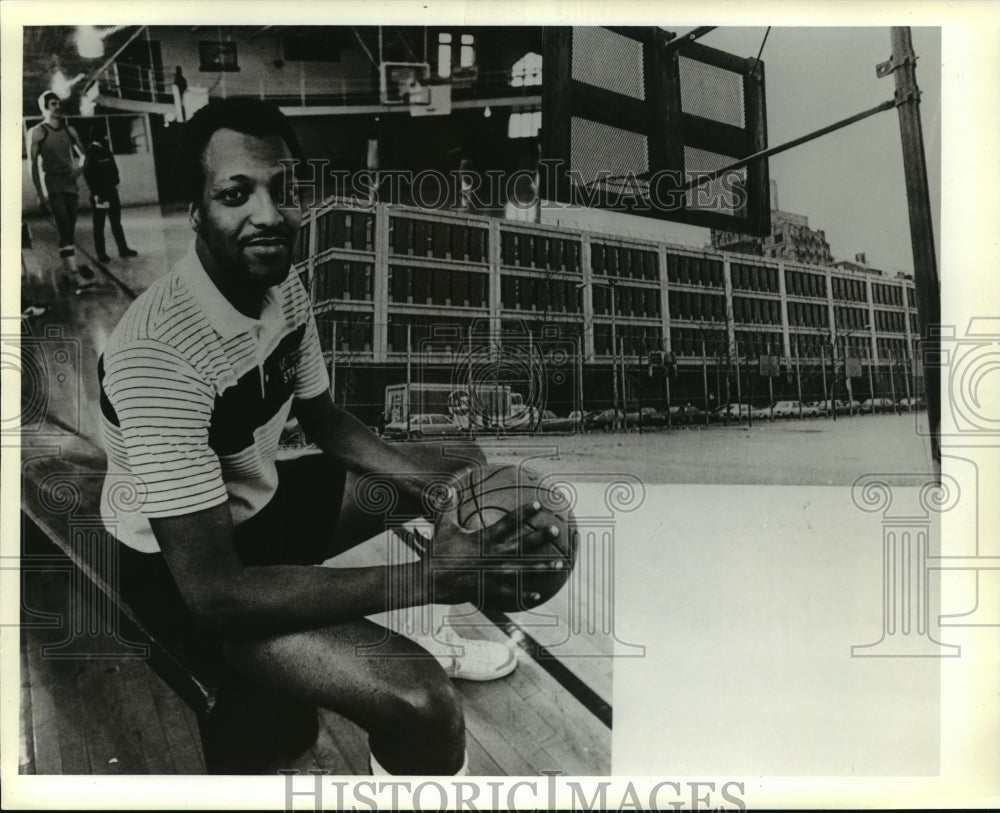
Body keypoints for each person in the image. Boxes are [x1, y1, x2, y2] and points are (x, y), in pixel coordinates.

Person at [98, 98, 561, 776]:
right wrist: (430, 576)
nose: (268, 212)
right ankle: (424, 613)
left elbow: (324, 419)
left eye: (285, 189)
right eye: (236, 193)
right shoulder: (158, 352)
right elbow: (216, 591)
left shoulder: (283, 287)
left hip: (265, 508)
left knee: (463, 463)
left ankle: (429, 617)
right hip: (186, 577)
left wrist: (435, 488)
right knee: (422, 701)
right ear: (196, 210)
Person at [29, 91, 96, 293]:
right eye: (53, 104)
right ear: (45, 108)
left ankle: (70, 271)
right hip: (52, 185)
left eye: (58, 103)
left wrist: (78, 172)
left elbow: (85, 155)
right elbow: (32, 165)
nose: (57, 106)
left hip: (70, 185)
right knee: (64, 228)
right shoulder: (38, 131)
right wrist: (40, 194)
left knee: (69, 230)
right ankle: (73, 273)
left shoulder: (70, 130)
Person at [83, 125, 138, 263]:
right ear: (99, 136)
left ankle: (123, 249)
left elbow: (114, 168)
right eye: (104, 135)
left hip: (111, 193)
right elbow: (88, 174)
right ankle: (101, 253)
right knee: (99, 225)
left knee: (116, 222)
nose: (106, 137)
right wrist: (96, 194)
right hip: (100, 195)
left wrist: (116, 181)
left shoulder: (106, 150)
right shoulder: (91, 152)